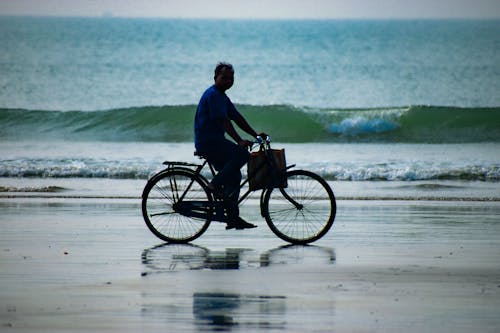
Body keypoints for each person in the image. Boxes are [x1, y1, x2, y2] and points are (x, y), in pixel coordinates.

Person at [194, 62, 265, 230]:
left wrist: (255, 135)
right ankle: (215, 184)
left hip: (214, 141)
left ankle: (233, 218)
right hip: (208, 142)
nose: (228, 81)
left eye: (231, 78)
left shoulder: (222, 97)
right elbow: (223, 121)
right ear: (215, 78)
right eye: (224, 77)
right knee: (242, 155)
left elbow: (237, 118)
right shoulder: (213, 95)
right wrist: (240, 141)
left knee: (234, 176)